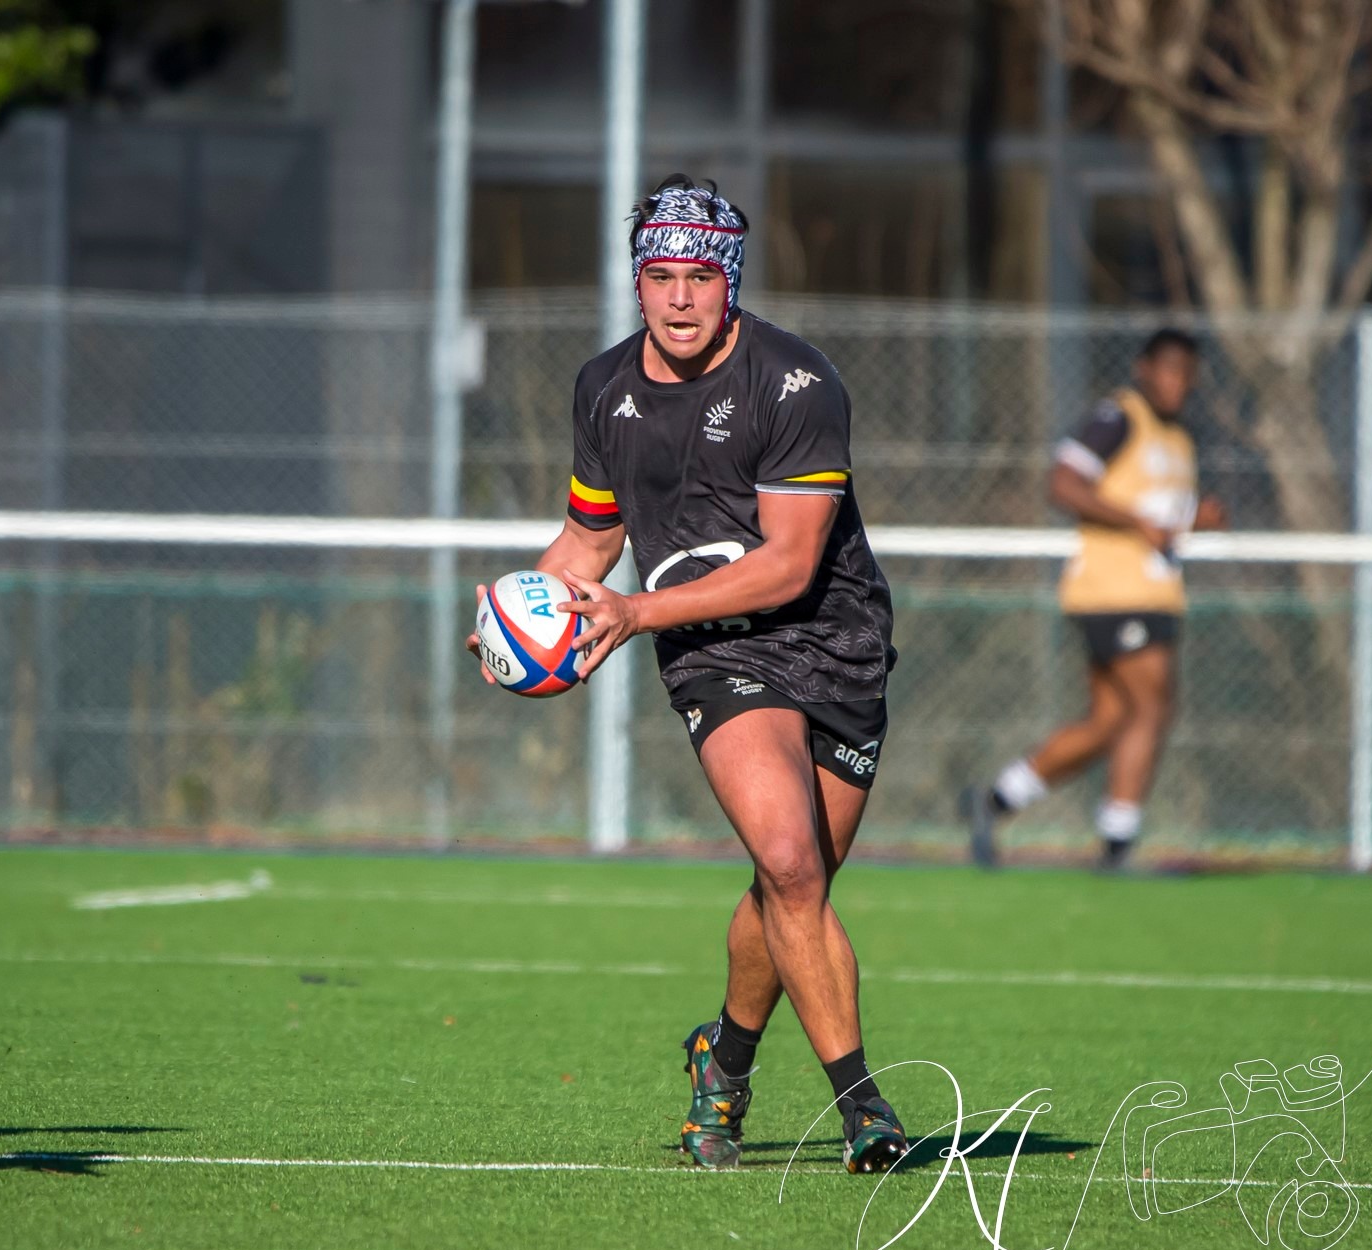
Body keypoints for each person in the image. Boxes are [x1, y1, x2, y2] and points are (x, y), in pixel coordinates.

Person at [469, 176, 908, 1173]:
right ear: (635, 283)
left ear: (730, 284)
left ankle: (725, 1058)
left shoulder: (796, 385)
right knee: (792, 865)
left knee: (791, 884)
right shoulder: (604, 392)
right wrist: (515, 612)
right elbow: (588, 543)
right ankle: (863, 1106)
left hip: (834, 640)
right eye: (659, 276)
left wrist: (631, 611)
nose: (677, 299)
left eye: (699, 278)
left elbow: (792, 564)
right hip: (715, 653)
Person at [962, 329, 1222, 871]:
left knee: (1109, 720)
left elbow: (1160, 520)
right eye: (1169, 370)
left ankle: (995, 801)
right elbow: (1065, 484)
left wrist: (1196, 520)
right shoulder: (1118, 418)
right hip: (1114, 591)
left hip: (1152, 592)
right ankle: (1118, 846)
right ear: (1144, 368)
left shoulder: (1179, 438)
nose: (1179, 384)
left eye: (1187, 374)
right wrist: (1137, 522)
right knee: (1152, 705)